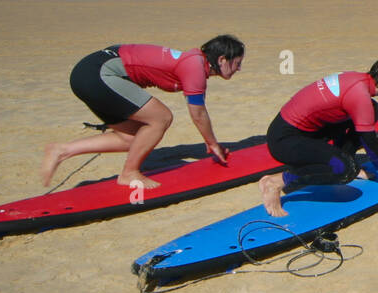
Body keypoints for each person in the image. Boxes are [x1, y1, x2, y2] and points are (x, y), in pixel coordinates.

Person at [41, 36, 245, 189]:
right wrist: (212, 144)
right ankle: (129, 173)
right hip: (98, 74)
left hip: (88, 74)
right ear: (222, 59)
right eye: (237, 63)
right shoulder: (195, 67)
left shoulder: (192, 60)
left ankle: (62, 150)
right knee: (162, 118)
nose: (239, 69)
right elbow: (198, 114)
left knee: (131, 138)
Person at [258, 58, 378, 217]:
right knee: (345, 169)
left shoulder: (357, 80)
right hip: (285, 141)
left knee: (372, 109)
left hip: (298, 131)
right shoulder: (359, 96)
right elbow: (371, 145)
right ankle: (276, 182)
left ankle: (347, 158)